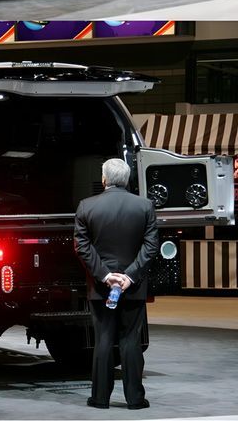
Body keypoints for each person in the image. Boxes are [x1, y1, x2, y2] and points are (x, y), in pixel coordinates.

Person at [74, 157, 158, 410]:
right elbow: (151, 246)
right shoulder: (145, 206)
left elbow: (82, 247)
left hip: (101, 288)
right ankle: (135, 399)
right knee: (131, 340)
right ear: (127, 179)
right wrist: (129, 276)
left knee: (103, 340)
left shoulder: (86, 206)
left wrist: (105, 275)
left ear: (104, 179)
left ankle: (100, 399)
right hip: (133, 287)